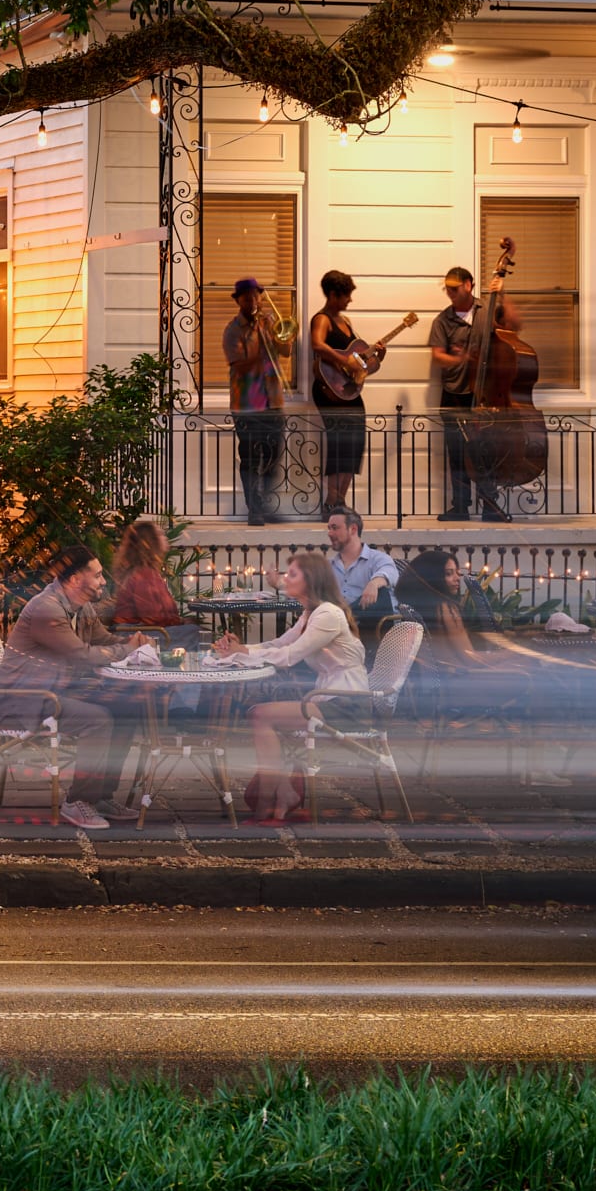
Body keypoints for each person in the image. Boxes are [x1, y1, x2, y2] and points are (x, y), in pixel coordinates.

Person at [214, 550, 368, 824]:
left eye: (292, 573)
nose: (286, 578)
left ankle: (266, 802)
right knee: (259, 714)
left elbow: (288, 657)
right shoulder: (311, 613)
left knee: (260, 714)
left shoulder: (327, 615)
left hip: (346, 703)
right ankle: (282, 792)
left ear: (311, 580)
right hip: (327, 698)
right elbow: (278, 645)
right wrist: (239, 650)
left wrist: (242, 654)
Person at [0, 544, 130, 830]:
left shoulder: (82, 606)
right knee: (98, 721)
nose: (103, 581)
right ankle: (77, 802)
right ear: (76, 579)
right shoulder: (47, 609)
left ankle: (101, 794)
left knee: (129, 710)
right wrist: (125, 652)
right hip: (26, 699)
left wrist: (132, 645)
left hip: (55, 690)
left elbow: (102, 640)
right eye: (97, 575)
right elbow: (80, 654)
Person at [427, 265, 509, 523]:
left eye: (455, 287)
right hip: (455, 392)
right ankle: (460, 506)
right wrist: (458, 357)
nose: (450, 293)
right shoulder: (442, 320)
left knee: (486, 450)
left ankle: (490, 505)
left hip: (485, 393)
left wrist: (502, 294)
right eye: (447, 288)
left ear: (469, 285)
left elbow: (508, 330)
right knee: (457, 452)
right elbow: (438, 356)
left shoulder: (488, 311)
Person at [307, 271, 377, 513]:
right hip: (328, 390)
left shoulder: (346, 322)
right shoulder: (322, 319)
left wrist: (376, 356)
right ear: (334, 294)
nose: (350, 300)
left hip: (348, 390)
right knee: (338, 443)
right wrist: (344, 361)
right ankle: (330, 501)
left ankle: (341, 501)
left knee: (354, 443)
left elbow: (357, 359)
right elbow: (317, 345)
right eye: (346, 295)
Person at [223, 276, 289, 525]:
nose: (252, 300)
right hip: (247, 403)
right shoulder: (233, 330)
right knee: (251, 457)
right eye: (247, 297)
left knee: (274, 454)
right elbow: (239, 365)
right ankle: (254, 509)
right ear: (238, 300)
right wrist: (262, 348)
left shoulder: (269, 321)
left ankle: (267, 504)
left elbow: (285, 352)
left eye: (256, 296)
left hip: (273, 399)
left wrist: (283, 337)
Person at [399, 548, 519, 669]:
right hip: (459, 678)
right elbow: (471, 660)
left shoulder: (419, 608)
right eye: (448, 573)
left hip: (440, 678)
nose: (457, 578)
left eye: (457, 572)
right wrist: (513, 653)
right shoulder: (445, 609)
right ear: (431, 578)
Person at [320, 504, 399, 629]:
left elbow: (391, 573)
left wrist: (374, 583)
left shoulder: (377, 558)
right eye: (329, 528)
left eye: (335, 528)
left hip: (372, 629)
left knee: (382, 592)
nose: (329, 533)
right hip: (339, 630)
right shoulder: (328, 567)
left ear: (353, 529)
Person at [107, 517, 188, 632]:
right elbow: (153, 617)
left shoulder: (146, 572)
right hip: (141, 635)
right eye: (160, 534)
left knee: (196, 630)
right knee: (199, 633)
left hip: (151, 631)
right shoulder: (143, 575)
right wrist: (180, 623)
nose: (165, 537)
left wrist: (180, 622)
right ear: (150, 542)